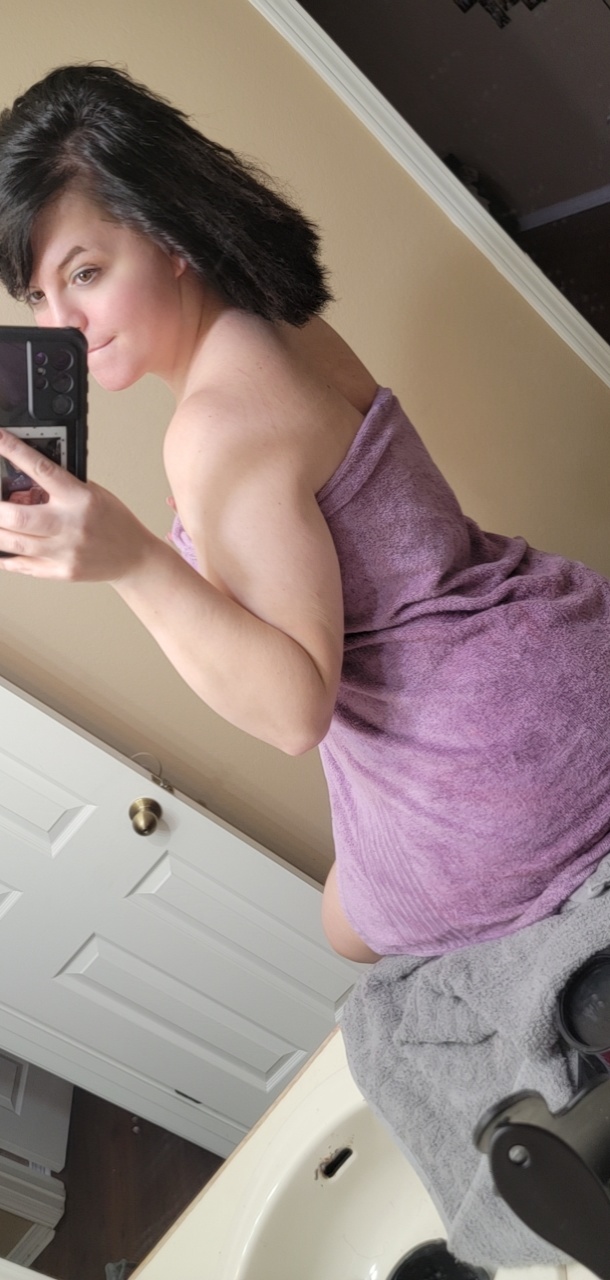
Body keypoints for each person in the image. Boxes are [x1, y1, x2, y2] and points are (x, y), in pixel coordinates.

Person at [0, 64, 609, 970]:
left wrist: (134, 559)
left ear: (169, 236)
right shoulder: (274, 316)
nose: (64, 323)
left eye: (85, 273)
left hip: (492, 761)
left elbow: (294, 715)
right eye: (38, 296)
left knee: (340, 931)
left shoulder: (213, 426)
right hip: (562, 643)